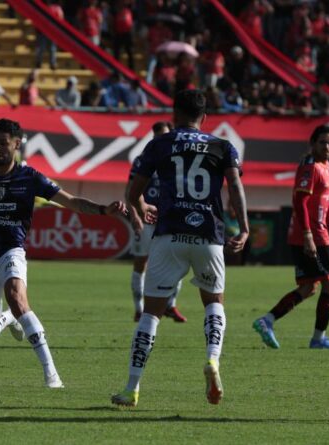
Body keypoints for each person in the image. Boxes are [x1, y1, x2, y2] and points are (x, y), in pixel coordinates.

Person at [0, 118, 127, 388]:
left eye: (4, 143)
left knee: (16, 296)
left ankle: (51, 374)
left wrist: (102, 210)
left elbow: (71, 201)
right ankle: (9, 317)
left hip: (10, 252)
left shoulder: (30, 177)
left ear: (17, 144)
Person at [112, 89, 249, 407]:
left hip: (169, 236)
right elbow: (236, 187)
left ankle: (132, 388)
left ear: (174, 115)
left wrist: (142, 205)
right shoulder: (223, 146)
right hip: (208, 236)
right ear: (205, 118)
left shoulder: (160, 143)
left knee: (151, 315)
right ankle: (213, 360)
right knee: (214, 303)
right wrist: (243, 227)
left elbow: (134, 192)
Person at [252, 125, 329, 350]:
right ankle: (318, 339)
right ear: (312, 144)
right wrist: (307, 235)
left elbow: (324, 202)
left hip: (316, 233)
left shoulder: (325, 166)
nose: (327, 146)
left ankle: (267, 321)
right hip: (312, 235)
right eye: (322, 142)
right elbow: (300, 202)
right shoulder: (310, 167)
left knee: (309, 288)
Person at [127, 121, 187, 323]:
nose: (160, 139)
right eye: (157, 136)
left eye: (164, 135)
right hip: (146, 217)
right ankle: (139, 308)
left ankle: (171, 305)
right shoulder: (142, 160)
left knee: (178, 262)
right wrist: (135, 215)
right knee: (140, 262)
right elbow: (130, 191)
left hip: (170, 218)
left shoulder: (178, 159)